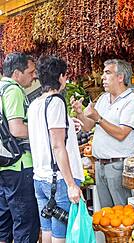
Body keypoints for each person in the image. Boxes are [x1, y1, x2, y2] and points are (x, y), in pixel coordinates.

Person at [71, 59, 134, 207]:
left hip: (117, 165)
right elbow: (87, 126)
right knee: (106, 215)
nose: (102, 77)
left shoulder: (131, 101)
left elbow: (122, 133)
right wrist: (80, 113)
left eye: (107, 73)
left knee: (122, 214)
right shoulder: (103, 98)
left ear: (120, 77)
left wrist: (98, 118)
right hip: (99, 165)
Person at [28, 56, 84, 242]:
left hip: (40, 178)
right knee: (61, 235)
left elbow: (44, 135)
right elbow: (57, 145)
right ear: (60, 77)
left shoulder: (35, 104)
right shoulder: (56, 102)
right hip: (58, 181)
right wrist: (71, 184)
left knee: (47, 232)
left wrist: (69, 124)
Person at [0, 52, 40, 243]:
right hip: (19, 166)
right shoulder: (13, 90)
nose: (34, 76)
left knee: (4, 223)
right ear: (17, 73)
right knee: (26, 222)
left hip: (3, 165)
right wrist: (44, 131)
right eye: (31, 72)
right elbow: (17, 129)